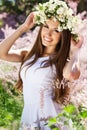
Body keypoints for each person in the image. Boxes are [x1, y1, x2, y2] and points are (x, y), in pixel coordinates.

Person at [0, 0, 82, 129]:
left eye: (56, 30)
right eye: (46, 26)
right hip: (29, 119)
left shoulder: (63, 62)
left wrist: (75, 51)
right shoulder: (28, 55)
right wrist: (23, 28)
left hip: (53, 122)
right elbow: (1, 53)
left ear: (64, 35)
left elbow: (70, 74)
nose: (48, 34)